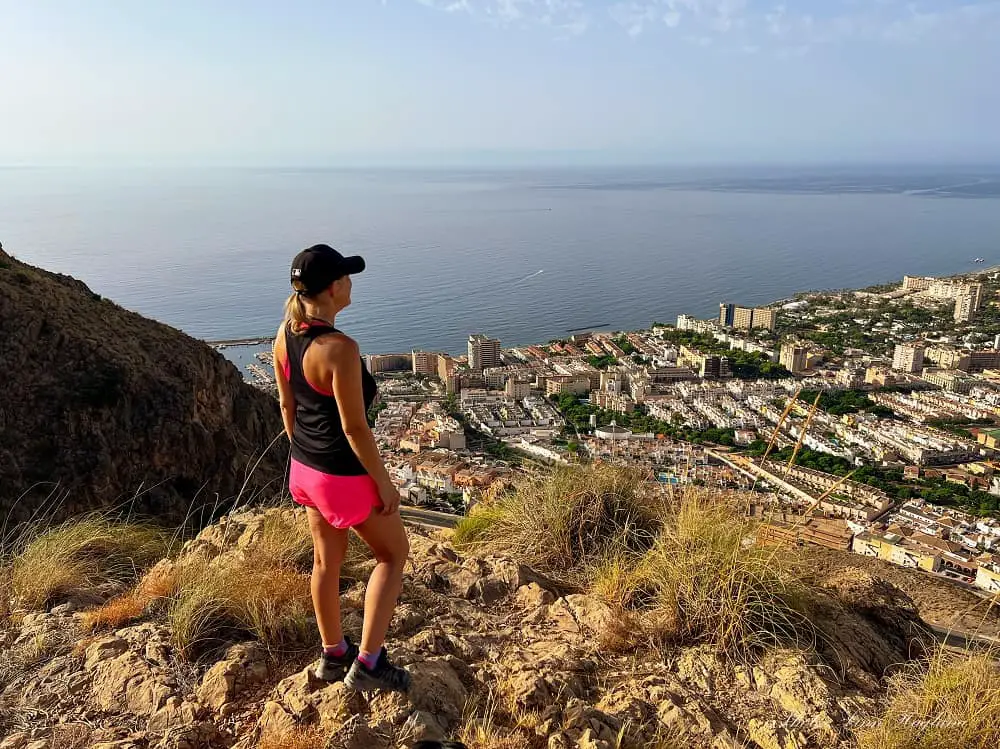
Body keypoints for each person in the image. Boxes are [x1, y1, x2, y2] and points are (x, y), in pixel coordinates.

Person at [273, 244, 411, 693]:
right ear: (334, 289)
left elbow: (286, 405)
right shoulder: (340, 349)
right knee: (393, 554)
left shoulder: (284, 334)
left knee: (325, 563)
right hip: (341, 474)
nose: (351, 283)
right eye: (347, 277)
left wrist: (305, 455)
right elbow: (355, 429)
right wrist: (384, 485)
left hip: (305, 469)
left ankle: (333, 654)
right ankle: (369, 664)